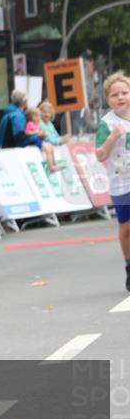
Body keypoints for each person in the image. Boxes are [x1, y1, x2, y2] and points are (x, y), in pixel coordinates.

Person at [94, 72, 130, 290]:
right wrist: (113, 137)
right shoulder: (107, 124)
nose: (121, 97)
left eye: (125, 92)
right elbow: (99, 155)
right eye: (115, 94)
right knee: (126, 229)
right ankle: (129, 266)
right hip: (121, 183)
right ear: (108, 99)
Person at [24, 106, 61, 172]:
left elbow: (40, 132)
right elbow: (27, 133)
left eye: (39, 116)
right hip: (36, 141)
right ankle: (51, 167)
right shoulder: (30, 124)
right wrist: (36, 132)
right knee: (47, 149)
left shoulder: (36, 124)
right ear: (30, 117)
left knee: (51, 148)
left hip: (40, 140)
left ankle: (55, 164)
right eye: (36, 116)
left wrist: (43, 133)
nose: (38, 118)